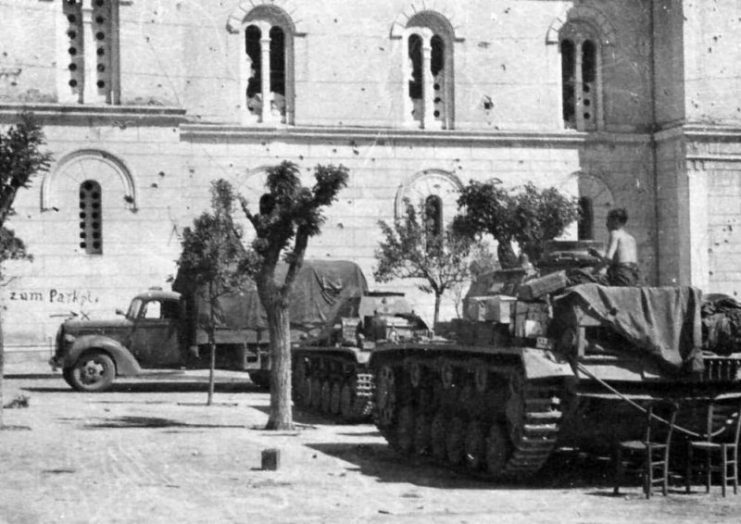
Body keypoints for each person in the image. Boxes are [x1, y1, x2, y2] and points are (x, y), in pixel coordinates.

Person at [587, 208, 641, 286]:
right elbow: (623, 261)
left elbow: (608, 259)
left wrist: (592, 272)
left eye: (608, 220)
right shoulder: (631, 238)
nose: (606, 224)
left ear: (615, 221)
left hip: (620, 276)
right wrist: (598, 255)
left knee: (583, 279)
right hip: (633, 277)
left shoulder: (615, 234)